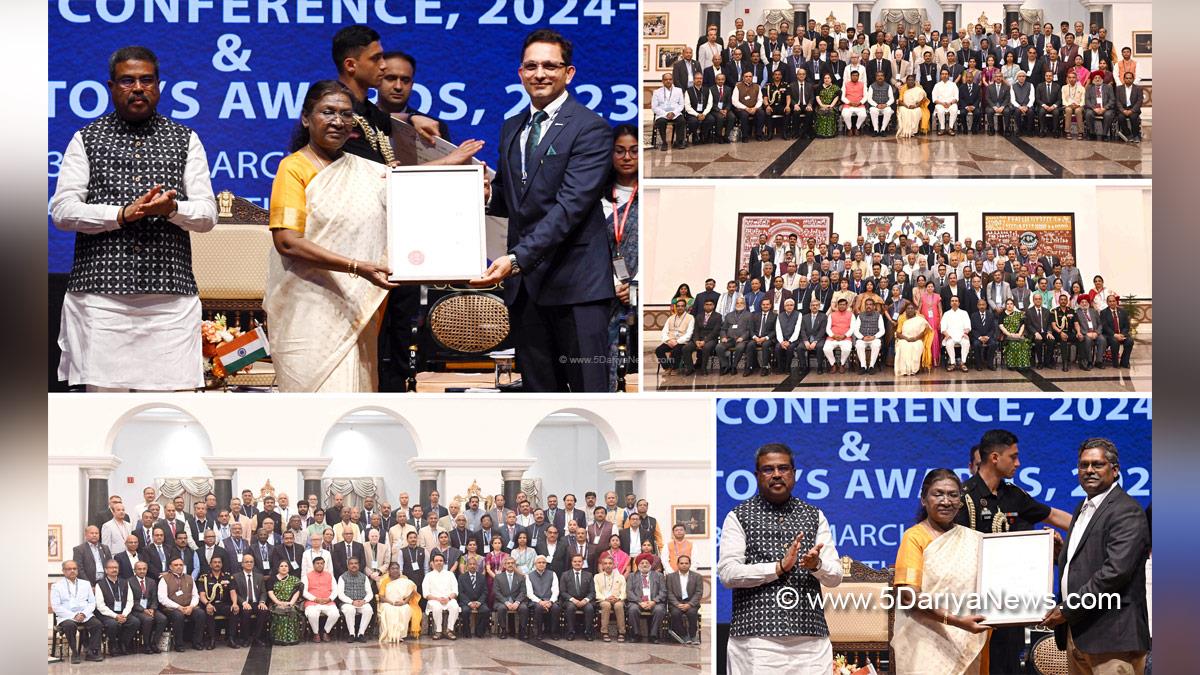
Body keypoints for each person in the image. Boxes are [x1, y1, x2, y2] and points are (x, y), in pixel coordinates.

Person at [51, 46, 217, 392]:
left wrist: (171, 210)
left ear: (159, 86)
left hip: (169, 300)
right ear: (111, 87)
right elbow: (62, 211)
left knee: (171, 414)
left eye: (146, 80)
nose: (138, 87)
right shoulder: (86, 138)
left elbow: (207, 215)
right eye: (127, 80)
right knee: (103, 417)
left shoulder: (186, 139)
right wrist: (121, 215)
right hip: (100, 301)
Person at [473, 30, 616, 393]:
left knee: (590, 400)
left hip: (578, 289)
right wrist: (487, 194)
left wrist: (516, 258)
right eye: (531, 66)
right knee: (540, 401)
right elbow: (512, 199)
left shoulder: (591, 128)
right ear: (520, 73)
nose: (540, 73)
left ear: (568, 73)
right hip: (527, 292)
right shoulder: (511, 128)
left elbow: (569, 207)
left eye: (550, 66)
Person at [262, 80, 400, 392]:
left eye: (346, 114)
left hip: (355, 306)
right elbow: (286, 241)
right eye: (328, 112)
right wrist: (357, 267)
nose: (338, 121)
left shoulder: (368, 171)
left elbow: (409, 200)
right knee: (311, 412)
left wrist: (459, 172)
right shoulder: (293, 168)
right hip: (306, 307)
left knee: (355, 408)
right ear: (307, 118)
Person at [718, 443, 842, 672]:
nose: (776, 474)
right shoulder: (738, 516)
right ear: (757, 476)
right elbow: (727, 574)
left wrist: (817, 565)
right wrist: (778, 568)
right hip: (756, 640)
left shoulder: (814, 515)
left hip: (810, 641)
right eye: (768, 469)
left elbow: (835, 577)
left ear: (794, 474)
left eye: (783, 468)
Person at [1041, 438, 1150, 674]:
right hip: (1079, 634)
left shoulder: (1126, 510)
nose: (1089, 470)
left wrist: (1067, 609)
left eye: (1097, 464)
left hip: (1112, 638)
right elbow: (1085, 562)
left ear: (1115, 469)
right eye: (1083, 465)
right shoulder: (1083, 507)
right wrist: (1061, 554)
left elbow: (1115, 572)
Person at [891, 469, 989, 674]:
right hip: (924, 642)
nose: (946, 501)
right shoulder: (915, 537)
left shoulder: (976, 540)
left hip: (968, 639)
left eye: (953, 495)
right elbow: (908, 596)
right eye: (938, 494)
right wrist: (956, 621)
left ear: (960, 501)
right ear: (924, 499)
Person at [52, 560, 105, 663]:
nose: (72, 571)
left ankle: (92, 652)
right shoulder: (56, 586)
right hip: (67, 616)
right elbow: (56, 606)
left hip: (85, 614)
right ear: (63, 571)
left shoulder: (85, 584)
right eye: (69, 569)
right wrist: (74, 615)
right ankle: (75, 653)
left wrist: (84, 613)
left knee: (97, 624)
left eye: (74, 569)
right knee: (69, 625)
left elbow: (92, 603)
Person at [158, 555, 205, 651]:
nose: (179, 567)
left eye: (181, 565)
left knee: (200, 614)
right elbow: (162, 598)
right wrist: (178, 607)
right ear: (170, 567)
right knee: (178, 616)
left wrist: (191, 607)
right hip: (171, 608)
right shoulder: (165, 579)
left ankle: (197, 642)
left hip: (189, 607)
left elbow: (195, 595)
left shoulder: (189, 578)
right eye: (176, 565)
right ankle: (179, 645)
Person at [94, 559, 138, 656]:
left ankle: (123, 643)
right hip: (106, 613)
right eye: (111, 567)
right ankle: (113, 645)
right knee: (113, 624)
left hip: (123, 612)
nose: (114, 569)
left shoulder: (125, 582)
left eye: (116, 567)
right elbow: (100, 605)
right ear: (106, 570)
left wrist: (124, 614)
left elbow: (130, 601)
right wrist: (115, 616)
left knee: (134, 622)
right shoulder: (100, 584)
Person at [230, 553, 269, 648]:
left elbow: (264, 592)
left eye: (251, 562)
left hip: (256, 602)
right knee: (246, 612)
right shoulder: (235, 577)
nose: (249, 563)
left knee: (263, 611)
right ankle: (245, 638)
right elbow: (236, 593)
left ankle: (257, 638)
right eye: (246, 562)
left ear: (254, 563)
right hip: (244, 602)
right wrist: (243, 602)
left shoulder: (259, 577)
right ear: (242, 564)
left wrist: (262, 602)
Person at [666, 554, 702, 645]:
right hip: (676, 604)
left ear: (690, 564)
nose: (684, 565)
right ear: (677, 564)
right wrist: (677, 604)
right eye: (681, 563)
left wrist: (689, 604)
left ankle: (693, 635)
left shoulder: (697, 576)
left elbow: (698, 593)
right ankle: (683, 635)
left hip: (691, 603)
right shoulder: (670, 577)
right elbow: (669, 593)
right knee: (675, 613)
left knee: (692, 613)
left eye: (686, 563)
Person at [377, 562, 417, 644]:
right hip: (388, 603)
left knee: (406, 609)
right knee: (389, 610)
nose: (395, 570)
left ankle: (400, 635)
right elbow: (381, 597)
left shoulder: (404, 580)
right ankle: (391, 635)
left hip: (402, 603)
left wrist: (404, 602)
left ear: (399, 570)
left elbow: (412, 592)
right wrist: (391, 603)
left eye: (397, 568)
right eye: (393, 568)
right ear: (389, 571)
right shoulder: (385, 581)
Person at [266, 558, 303, 645]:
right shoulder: (272, 579)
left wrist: (290, 603)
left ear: (289, 568)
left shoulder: (294, 579)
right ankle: (278, 639)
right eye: (281, 566)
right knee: (280, 612)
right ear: (278, 568)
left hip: (291, 603)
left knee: (291, 611)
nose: (284, 568)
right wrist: (279, 603)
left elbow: (297, 592)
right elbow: (270, 593)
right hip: (276, 603)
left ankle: (292, 639)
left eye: (286, 566)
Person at [493, 556, 529, 639]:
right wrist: (506, 602)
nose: (510, 565)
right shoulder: (498, 577)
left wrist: (517, 602)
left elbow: (523, 592)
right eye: (508, 563)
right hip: (502, 601)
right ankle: (504, 630)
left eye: (512, 563)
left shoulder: (520, 577)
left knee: (524, 608)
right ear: (504, 565)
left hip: (517, 601)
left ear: (515, 565)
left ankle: (522, 630)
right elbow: (496, 592)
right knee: (501, 608)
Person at [716, 296, 752, 375]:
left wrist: (742, 337)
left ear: (745, 304)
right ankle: (726, 366)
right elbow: (723, 329)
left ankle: (734, 366)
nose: (739, 304)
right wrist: (723, 337)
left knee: (740, 347)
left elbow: (749, 330)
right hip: (729, 339)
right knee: (719, 347)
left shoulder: (749, 315)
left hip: (742, 340)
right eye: (737, 303)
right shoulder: (729, 315)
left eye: (741, 303)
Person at [457, 555, 491, 638]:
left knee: (485, 610)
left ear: (477, 566)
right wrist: (469, 603)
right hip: (466, 602)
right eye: (470, 564)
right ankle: (466, 631)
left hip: (479, 601)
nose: (472, 566)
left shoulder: (482, 577)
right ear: (467, 566)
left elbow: (485, 592)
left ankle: (479, 631)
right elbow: (461, 593)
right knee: (464, 611)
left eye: (474, 564)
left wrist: (479, 602)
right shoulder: (461, 577)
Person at [651, 72, 686, 150]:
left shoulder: (678, 90)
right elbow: (654, 107)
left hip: (675, 113)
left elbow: (681, 105)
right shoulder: (657, 92)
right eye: (666, 79)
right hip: (662, 114)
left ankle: (678, 142)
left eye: (670, 79)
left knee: (682, 120)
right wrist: (666, 114)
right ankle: (664, 142)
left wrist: (673, 113)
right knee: (661, 122)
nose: (668, 81)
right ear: (662, 81)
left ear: (672, 80)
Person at [895, 304, 930, 376]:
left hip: (917, 339)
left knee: (917, 346)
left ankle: (914, 370)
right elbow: (898, 333)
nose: (910, 310)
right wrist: (906, 338)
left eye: (912, 308)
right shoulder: (902, 318)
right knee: (903, 346)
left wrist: (915, 338)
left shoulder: (920, 319)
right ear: (905, 310)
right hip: (904, 338)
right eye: (908, 308)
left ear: (915, 310)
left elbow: (924, 332)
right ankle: (904, 370)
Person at [1100, 294, 1134, 368]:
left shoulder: (1123, 311)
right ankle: (1115, 363)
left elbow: (1126, 326)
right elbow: (1105, 327)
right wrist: (1115, 335)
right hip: (1110, 335)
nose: (1112, 303)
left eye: (1113, 301)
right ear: (1107, 302)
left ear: (1116, 302)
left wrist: (1122, 334)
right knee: (1115, 341)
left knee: (1130, 341)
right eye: (1110, 301)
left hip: (1122, 334)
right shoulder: (1103, 312)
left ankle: (1124, 362)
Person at [854, 298, 885, 374]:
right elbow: (856, 330)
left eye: (870, 304)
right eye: (867, 304)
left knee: (876, 344)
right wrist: (862, 337)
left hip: (874, 338)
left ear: (874, 306)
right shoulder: (860, 315)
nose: (868, 306)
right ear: (865, 306)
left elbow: (882, 330)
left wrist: (874, 337)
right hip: (863, 338)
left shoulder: (879, 316)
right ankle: (863, 366)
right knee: (859, 345)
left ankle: (871, 366)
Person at [940, 295, 972, 371]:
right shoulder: (946, 314)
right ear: (950, 303)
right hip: (950, 336)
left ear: (959, 303)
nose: (954, 302)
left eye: (956, 301)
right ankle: (952, 363)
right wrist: (947, 335)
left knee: (966, 342)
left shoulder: (964, 313)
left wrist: (965, 333)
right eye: (952, 301)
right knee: (949, 343)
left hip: (962, 335)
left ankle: (963, 363)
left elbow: (968, 326)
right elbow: (943, 328)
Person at [998, 298, 1031, 369]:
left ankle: (1023, 365)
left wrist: (1019, 334)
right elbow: (1001, 326)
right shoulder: (1002, 314)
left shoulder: (1018, 314)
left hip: (1018, 335)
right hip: (1007, 336)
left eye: (1011, 304)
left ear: (1014, 305)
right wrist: (1010, 334)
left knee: (1024, 343)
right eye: (1008, 304)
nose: (1009, 306)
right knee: (1013, 344)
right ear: (1005, 305)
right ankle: (1012, 365)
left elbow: (1023, 325)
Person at [824, 298, 855, 373]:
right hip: (833, 337)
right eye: (840, 305)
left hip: (845, 338)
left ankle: (842, 364)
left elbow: (852, 328)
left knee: (847, 349)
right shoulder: (832, 314)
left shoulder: (851, 315)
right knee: (826, 349)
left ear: (847, 306)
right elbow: (827, 328)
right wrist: (833, 335)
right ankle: (833, 364)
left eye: (843, 304)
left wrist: (845, 335)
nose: (842, 306)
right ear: (837, 305)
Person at [1114, 70, 1143, 143]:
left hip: (1133, 109)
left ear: (1133, 79)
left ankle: (1136, 135)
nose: (1128, 79)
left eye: (1130, 78)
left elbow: (1139, 101)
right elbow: (1117, 101)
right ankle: (1128, 134)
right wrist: (1123, 110)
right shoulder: (1118, 88)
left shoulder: (1138, 89)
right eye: (1126, 78)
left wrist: (1132, 110)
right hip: (1122, 109)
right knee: (1120, 118)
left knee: (1133, 117)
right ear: (1123, 79)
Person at [1084, 72, 1114, 140]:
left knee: (1108, 114)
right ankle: (1092, 133)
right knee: (1088, 113)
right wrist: (1094, 108)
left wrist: (1104, 108)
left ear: (1102, 79)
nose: (1097, 79)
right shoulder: (1089, 87)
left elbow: (1112, 100)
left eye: (1099, 78)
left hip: (1105, 108)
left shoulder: (1108, 87)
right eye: (1095, 78)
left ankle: (1105, 134)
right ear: (1093, 79)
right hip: (1093, 108)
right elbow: (1087, 100)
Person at [931, 68, 959, 134]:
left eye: (946, 74)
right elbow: (934, 99)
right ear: (940, 75)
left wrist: (950, 103)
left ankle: (950, 128)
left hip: (951, 104)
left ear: (948, 75)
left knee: (954, 109)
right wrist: (942, 103)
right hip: (940, 104)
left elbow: (956, 97)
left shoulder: (953, 85)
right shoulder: (937, 85)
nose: (944, 75)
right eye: (942, 74)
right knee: (940, 110)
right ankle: (942, 128)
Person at [813, 73, 841, 138]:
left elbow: (836, 98)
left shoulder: (835, 87)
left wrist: (831, 106)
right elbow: (817, 97)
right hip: (821, 106)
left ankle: (830, 133)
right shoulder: (819, 87)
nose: (827, 79)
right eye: (825, 78)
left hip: (832, 106)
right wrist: (822, 105)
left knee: (830, 112)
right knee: (821, 112)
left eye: (828, 78)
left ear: (831, 79)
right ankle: (820, 133)